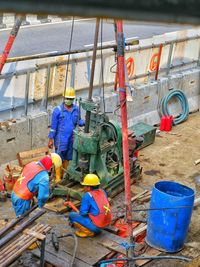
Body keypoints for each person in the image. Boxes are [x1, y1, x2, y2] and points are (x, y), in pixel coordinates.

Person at [48, 87, 84, 183]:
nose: (68, 100)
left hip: (72, 139)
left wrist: (87, 122)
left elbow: (79, 121)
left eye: (70, 99)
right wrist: (51, 139)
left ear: (73, 99)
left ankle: (65, 176)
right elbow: (53, 126)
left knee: (68, 157)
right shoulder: (58, 110)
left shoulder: (76, 109)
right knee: (59, 157)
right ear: (63, 98)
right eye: (67, 98)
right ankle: (58, 178)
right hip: (61, 139)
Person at [11, 153, 62, 217]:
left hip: (14, 192)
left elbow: (29, 180)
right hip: (22, 199)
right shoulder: (44, 176)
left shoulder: (32, 163)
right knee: (22, 220)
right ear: (52, 166)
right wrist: (40, 204)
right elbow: (43, 196)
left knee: (20, 217)